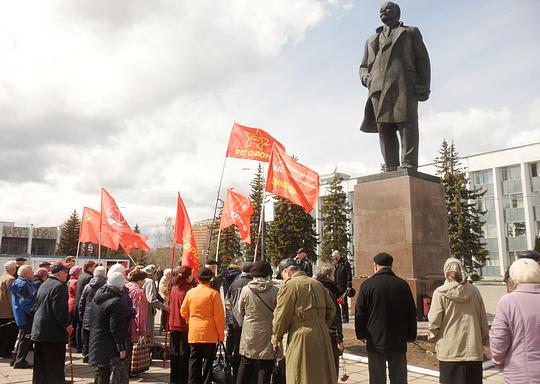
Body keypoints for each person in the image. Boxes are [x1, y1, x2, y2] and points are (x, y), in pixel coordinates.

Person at [359, 1, 431, 171]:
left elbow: (422, 59)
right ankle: (391, 166)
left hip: (404, 84)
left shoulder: (410, 32)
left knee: (406, 125)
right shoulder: (371, 39)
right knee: (384, 128)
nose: (383, 10)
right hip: (377, 88)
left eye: (388, 8)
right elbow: (363, 66)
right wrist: (365, 78)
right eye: (380, 9)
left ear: (397, 12)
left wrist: (424, 84)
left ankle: (409, 164)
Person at [354, 252, 417, 384]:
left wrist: (361, 334)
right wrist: (411, 335)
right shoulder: (402, 285)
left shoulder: (367, 285)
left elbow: (360, 312)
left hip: (375, 339)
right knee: (399, 378)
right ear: (391, 266)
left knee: (377, 378)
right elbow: (411, 312)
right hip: (398, 339)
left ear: (375, 266)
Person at [272, 258, 336, 384]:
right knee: (321, 374)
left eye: (282, 276)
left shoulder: (290, 285)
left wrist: (276, 337)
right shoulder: (317, 284)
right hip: (322, 334)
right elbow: (332, 309)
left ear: (287, 272)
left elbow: (281, 315)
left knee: (300, 374)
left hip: (301, 335)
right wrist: (321, 325)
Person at [428, 258, 489, 384]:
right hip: (473, 349)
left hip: (450, 351)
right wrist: (484, 340)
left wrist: (433, 336)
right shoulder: (474, 291)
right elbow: (482, 318)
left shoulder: (439, 293)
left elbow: (434, 321)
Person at [490, 258, 540, 383]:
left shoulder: (508, 301)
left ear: (513, 278)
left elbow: (499, 339)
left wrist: (498, 361)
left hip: (519, 374)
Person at [235, 261, 278, 384]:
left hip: (249, 329)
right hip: (268, 329)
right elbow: (278, 311)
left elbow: (240, 310)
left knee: (246, 361)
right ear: (268, 274)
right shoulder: (275, 290)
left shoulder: (246, 290)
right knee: (265, 362)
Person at [181, 267, 225, 384]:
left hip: (194, 331)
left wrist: (189, 321)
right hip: (210, 333)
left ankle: (192, 381)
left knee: (194, 360)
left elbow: (183, 311)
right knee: (208, 361)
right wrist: (221, 335)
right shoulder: (214, 294)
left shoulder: (190, 292)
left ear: (198, 279)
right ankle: (206, 381)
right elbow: (219, 317)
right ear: (210, 280)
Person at [31, 262, 72, 384]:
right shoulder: (59, 286)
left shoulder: (45, 284)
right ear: (60, 273)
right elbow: (59, 310)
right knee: (55, 367)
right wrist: (67, 325)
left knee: (40, 367)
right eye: (66, 273)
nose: (67, 276)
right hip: (53, 333)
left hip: (40, 330)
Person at [88, 271, 129, 383]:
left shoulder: (97, 297)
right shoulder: (116, 302)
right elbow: (115, 327)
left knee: (100, 372)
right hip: (109, 343)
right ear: (120, 286)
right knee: (105, 374)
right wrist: (121, 347)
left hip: (96, 340)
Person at [315, 263, 344, 380]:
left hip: (318, 333)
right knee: (331, 370)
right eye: (333, 274)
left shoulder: (315, 288)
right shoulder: (328, 291)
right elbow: (334, 317)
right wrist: (339, 338)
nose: (334, 276)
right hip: (330, 336)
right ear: (328, 276)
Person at [225, 261, 253, 380]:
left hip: (236, 321)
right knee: (248, 351)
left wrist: (232, 316)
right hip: (249, 321)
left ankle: (236, 374)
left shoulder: (235, 283)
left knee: (237, 348)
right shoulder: (251, 284)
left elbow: (228, 302)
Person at [169, 266, 193, 384]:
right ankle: (183, 379)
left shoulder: (173, 288)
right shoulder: (189, 290)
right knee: (184, 353)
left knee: (174, 353)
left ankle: (173, 379)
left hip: (173, 323)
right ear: (188, 276)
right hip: (184, 325)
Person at [79, 266, 107, 362]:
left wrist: (81, 315)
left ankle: (85, 356)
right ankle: (96, 357)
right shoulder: (106, 286)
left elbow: (82, 302)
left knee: (86, 337)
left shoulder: (87, 286)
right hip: (100, 315)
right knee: (98, 338)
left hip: (88, 315)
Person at [10, 264, 36, 368]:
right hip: (25, 315)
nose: (33, 273)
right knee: (25, 338)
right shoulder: (22, 284)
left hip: (22, 314)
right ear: (26, 273)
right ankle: (20, 361)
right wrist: (34, 311)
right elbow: (25, 302)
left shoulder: (22, 282)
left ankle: (16, 359)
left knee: (22, 337)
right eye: (31, 271)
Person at [126, 267, 148, 359]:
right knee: (131, 351)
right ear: (140, 280)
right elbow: (139, 312)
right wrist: (142, 329)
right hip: (133, 325)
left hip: (124, 323)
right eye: (144, 280)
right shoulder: (139, 292)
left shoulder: (125, 287)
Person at [143, 264, 168, 346]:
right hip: (148, 311)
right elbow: (151, 299)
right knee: (148, 334)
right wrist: (164, 306)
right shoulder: (149, 282)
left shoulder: (144, 280)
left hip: (143, 311)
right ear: (152, 274)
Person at [75, 260, 96, 351]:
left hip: (78, 302)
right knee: (83, 327)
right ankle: (82, 346)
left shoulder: (81, 276)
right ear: (90, 267)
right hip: (84, 304)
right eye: (94, 266)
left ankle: (78, 345)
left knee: (79, 326)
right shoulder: (89, 277)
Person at [0, 261, 18, 359]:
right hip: (7, 312)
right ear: (13, 269)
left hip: (1, 310)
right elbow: (12, 298)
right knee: (8, 334)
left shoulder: (1, 277)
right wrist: (15, 312)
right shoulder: (11, 279)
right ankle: (6, 352)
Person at [332, 250, 353, 323]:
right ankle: (337, 317)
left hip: (343, 286)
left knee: (343, 303)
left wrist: (349, 286)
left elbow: (348, 275)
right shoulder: (334, 264)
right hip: (335, 286)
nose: (334, 259)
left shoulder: (345, 263)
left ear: (338, 256)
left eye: (334, 257)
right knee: (335, 303)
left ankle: (345, 318)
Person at [68, 265, 82, 350]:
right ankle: (72, 342)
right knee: (74, 324)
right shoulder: (75, 282)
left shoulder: (70, 281)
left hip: (70, 303)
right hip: (73, 304)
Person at [158, 268, 172, 333]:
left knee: (167, 313)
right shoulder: (164, 279)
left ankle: (166, 326)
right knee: (165, 313)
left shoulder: (168, 279)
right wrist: (168, 290)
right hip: (165, 298)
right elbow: (162, 288)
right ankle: (164, 326)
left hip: (168, 297)